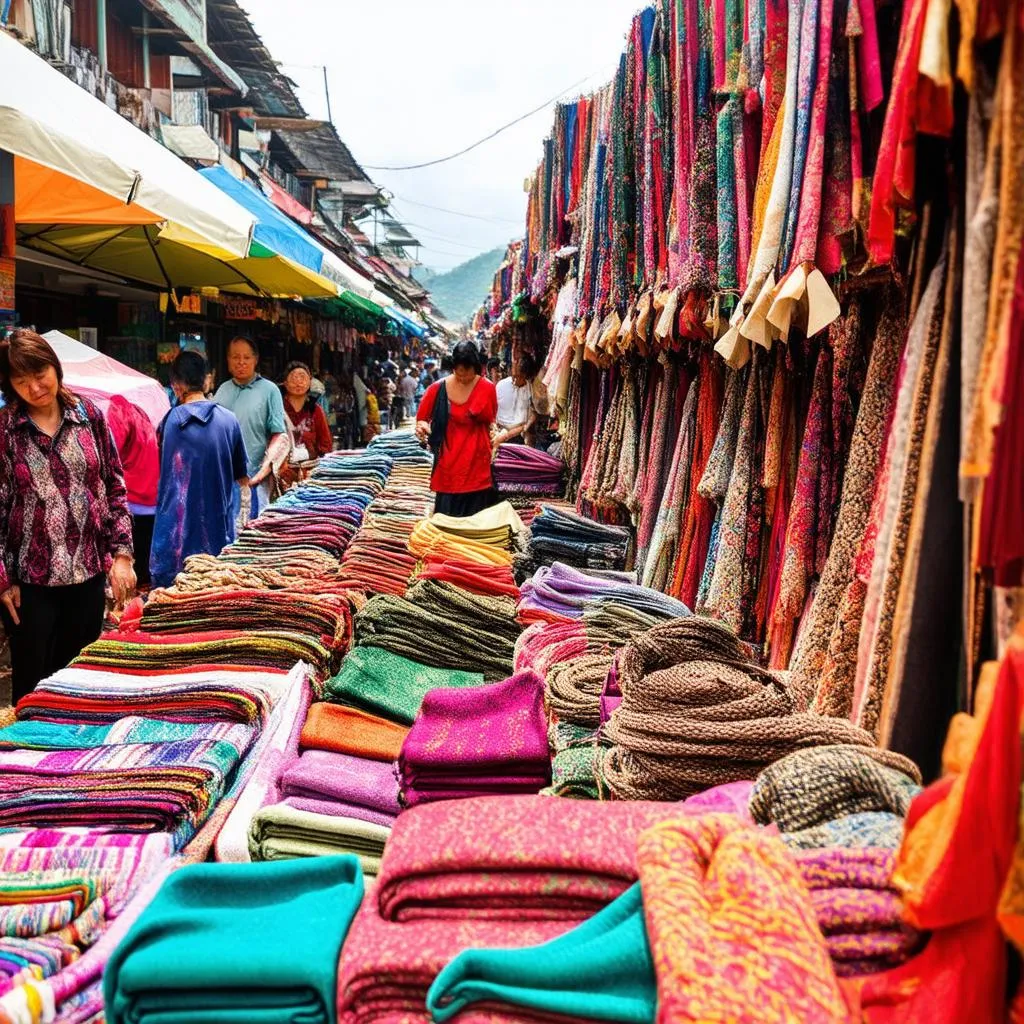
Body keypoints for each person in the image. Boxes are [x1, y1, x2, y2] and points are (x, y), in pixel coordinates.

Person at [0, 329, 136, 701]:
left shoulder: (89, 415)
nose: (35, 386)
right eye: (21, 380)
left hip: (87, 574)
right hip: (29, 583)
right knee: (32, 688)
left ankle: (69, 757)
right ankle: (24, 757)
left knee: (78, 683)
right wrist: (2, 579)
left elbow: (115, 486)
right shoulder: (6, 430)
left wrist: (122, 555)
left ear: (54, 367)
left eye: (39, 373)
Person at [150, 351, 248, 590]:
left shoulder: (168, 422)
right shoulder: (229, 420)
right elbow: (242, 477)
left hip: (173, 539)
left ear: (175, 384)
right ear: (207, 380)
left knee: (171, 605)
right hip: (217, 535)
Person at [415, 341, 499, 517]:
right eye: (458, 373)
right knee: (446, 524)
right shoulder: (437, 389)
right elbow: (422, 418)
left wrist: (495, 433)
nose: (462, 378)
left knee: (476, 526)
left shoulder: (487, 388)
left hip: (478, 466)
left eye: (467, 374)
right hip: (448, 466)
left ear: (476, 368)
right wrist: (422, 427)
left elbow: (492, 420)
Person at [213, 336, 287, 528]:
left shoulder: (270, 390)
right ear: (228, 360)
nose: (241, 362)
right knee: (226, 530)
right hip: (225, 478)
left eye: (246, 357)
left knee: (253, 533)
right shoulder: (222, 390)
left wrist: (264, 470)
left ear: (255, 360)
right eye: (235, 357)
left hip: (255, 478)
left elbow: (278, 434)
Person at [105, 394, 160, 589]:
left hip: (132, 498)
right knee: (145, 565)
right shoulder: (140, 412)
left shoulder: (118, 408)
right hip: (151, 497)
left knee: (129, 567)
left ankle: (128, 610)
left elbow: (111, 453)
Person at [279, 361, 333, 487]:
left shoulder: (316, 410)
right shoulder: (277, 408)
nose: (298, 382)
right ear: (285, 383)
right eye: (294, 378)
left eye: (302, 378)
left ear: (310, 382)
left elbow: (326, 445)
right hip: (282, 476)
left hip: (310, 476)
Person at [494, 356, 535, 446]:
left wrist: (524, 429)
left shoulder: (531, 389)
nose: (515, 380)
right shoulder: (501, 385)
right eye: (514, 376)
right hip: (499, 432)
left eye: (520, 377)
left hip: (519, 435)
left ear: (526, 376)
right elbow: (493, 409)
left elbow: (533, 414)